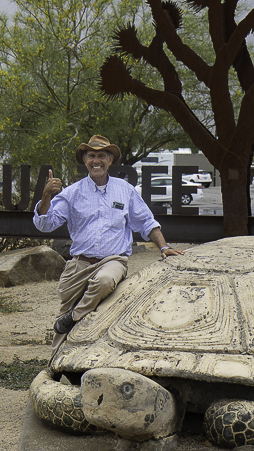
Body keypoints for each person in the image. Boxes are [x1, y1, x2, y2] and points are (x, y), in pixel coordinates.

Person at [33, 135, 184, 357]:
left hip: (113, 261)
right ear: (85, 160)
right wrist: (46, 196)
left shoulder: (125, 190)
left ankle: (75, 316)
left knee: (104, 281)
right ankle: (54, 368)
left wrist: (163, 247)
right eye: (91, 156)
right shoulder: (72, 192)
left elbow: (146, 222)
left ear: (110, 160)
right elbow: (45, 224)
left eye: (101, 156)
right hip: (79, 265)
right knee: (61, 332)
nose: (96, 161)